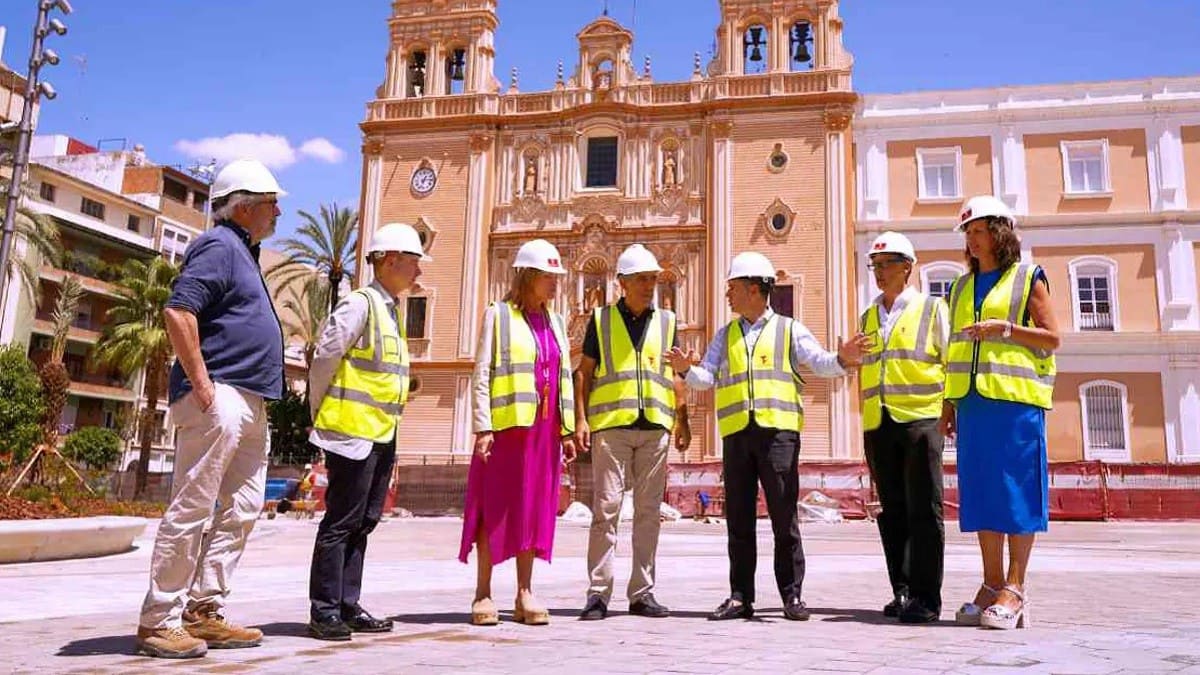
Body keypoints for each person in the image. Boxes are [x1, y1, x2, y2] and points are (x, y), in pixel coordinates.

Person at [135, 159, 286, 659]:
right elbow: (179, 310)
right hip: (221, 395)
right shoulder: (218, 245)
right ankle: (160, 619)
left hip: (248, 398)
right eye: (271, 204)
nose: (278, 211)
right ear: (243, 207)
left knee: (242, 508)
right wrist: (203, 387)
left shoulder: (242, 251)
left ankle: (204, 611)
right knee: (193, 506)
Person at [666, 251, 870, 622]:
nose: (728, 295)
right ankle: (740, 596)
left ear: (755, 289)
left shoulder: (790, 329)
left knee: (783, 516)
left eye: (733, 288)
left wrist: (843, 360)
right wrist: (686, 370)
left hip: (778, 436)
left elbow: (820, 362)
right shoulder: (724, 335)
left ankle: (792, 595)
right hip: (737, 437)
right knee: (738, 520)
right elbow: (707, 378)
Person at [940, 195, 1060, 630]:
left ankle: (1016, 587)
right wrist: (949, 404)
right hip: (972, 404)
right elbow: (955, 349)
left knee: (1016, 493)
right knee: (982, 494)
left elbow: (1051, 338)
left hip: (1015, 403)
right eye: (967, 233)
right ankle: (991, 584)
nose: (971, 239)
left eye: (978, 230)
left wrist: (1004, 329)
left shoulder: (1028, 277)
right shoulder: (958, 287)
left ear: (1000, 233)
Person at [305, 222, 425, 640]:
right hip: (351, 433)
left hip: (381, 433)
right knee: (341, 520)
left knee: (365, 521)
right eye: (414, 262)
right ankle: (324, 610)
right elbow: (325, 359)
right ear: (390, 260)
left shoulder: (390, 310)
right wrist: (318, 410)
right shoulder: (360, 305)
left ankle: (347, 604)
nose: (419, 272)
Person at [459, 239, 579, 626]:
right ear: (528, 277)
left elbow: (563, 378)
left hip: (543, 432)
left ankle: (525, 593)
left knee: (534, 507)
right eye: (549, 276)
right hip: (507, 428)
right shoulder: (498, 315)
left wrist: (567, 430)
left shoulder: (557, 322)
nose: (555, 284)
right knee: (494, 506)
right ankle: (483, 593)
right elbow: (483, 373)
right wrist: (483, 427)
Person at [575, 244, 691, 621]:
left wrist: (683, 419)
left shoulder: (668, 321)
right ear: (622, 282)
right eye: (641, 279)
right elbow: (585, 373)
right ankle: (597, 593)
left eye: (653, 279)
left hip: (656, 427)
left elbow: (676, 376)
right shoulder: (601, 319)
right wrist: (580, 419)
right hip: (611, 427)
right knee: (605, 511)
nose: (649, 286)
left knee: (648, 513)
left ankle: (642, 593)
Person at [859, 231, 949, 624]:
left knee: (925, 511)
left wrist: (947, 414)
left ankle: (927, 598)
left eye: (887, 265)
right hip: (879, 423)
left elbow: (951, 362)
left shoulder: (932, 309)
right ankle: (903, 590)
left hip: (921, 420)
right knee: (892, 511)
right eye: (875, 266)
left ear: (907, 268)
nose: (879, 272)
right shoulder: (868, 315)